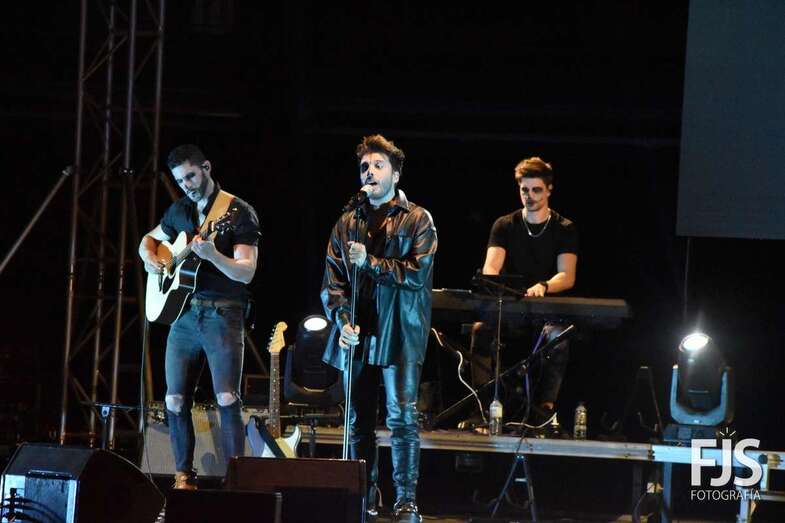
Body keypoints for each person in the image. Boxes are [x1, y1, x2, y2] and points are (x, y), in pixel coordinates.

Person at [321, 135, 437, 522]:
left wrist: (370, 262)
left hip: (398, 334)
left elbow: (417, 274)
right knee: (357, 420)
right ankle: (363, 495)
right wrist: (341, 321)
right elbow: (332, 282)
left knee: (402, 417)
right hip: (358, 333)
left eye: (378, 165)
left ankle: (406, 502)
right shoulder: (347, 221)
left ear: (396, 173)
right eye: (364, 167)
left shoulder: (418, 218)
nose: (369, 172)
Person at [138, 144, 260, 489]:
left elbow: (247, 272)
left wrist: (213, 256)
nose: (186, 184)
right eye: (179, 180)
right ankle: (182, 475)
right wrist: (150, 258)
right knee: (174, 398)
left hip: (223, 312)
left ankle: (238, 479)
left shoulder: (236, 212)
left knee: (226, 397)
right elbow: (148, 239)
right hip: (184, 315)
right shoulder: (180, 210)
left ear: (206, 167)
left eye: (191, 175)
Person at [476, 156, 578, 428]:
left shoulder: (564, 228)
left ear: (549, 190)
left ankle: (545, 409)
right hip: (511, 307)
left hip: (547, 312)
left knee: (558, 337)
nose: (529, 196)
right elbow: (491, 267)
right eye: (524, 190)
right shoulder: (504, 225)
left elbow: (567, 276)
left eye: (536, 190)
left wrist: (544, 286)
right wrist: (493, 283)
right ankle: (482, 403)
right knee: (480, 330)